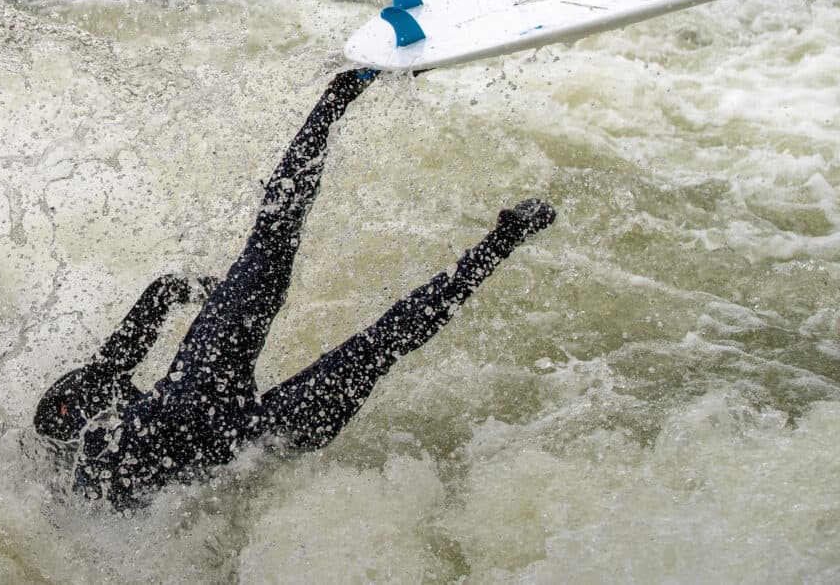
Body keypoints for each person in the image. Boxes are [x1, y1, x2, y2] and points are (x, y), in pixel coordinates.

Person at [34, 69, 556, 510]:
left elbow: (164, 294)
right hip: (250, 445)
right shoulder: (76, 481)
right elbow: (163, 295)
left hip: (202, 388)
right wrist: (224, 296)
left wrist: (230, 295)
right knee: (377, 346)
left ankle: (336, 98)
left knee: (273, 248)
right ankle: (502, 241)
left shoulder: (82, 412)